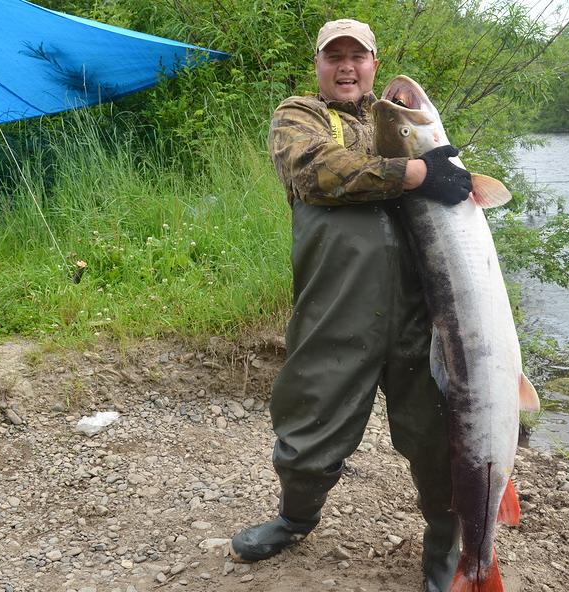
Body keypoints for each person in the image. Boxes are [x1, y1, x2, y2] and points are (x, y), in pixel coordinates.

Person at [228, 18, 473, 592]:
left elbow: (441, 189)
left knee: (438, 435)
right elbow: (317, 171)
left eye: (356, 57)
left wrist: (443, 173)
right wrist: (415, 172)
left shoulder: (398, 123)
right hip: (335, 308)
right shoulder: (300, 117)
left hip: (420, 315)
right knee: (309, 424)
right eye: (333, 57)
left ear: (372, 63)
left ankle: (446, 543)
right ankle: (295, 519)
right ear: (317, 64)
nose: (345, 67)